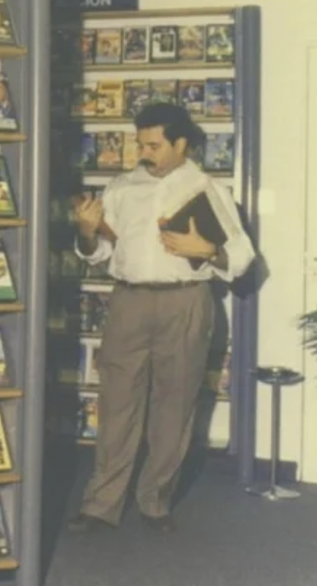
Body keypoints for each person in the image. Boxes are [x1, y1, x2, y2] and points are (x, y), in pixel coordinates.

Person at [68, 103, 254, 534]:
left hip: (185, 302)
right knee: (116, 403)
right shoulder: (120, 187)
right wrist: (86, 232)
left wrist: (206, 251)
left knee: (175, 405)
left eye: (153, 144)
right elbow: (100, 255)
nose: (144, 151)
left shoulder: (207, 188)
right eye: (141, 142)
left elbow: (243, 257)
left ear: (180, 144)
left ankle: (155, 500)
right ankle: (101, 505)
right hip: (129, 302)